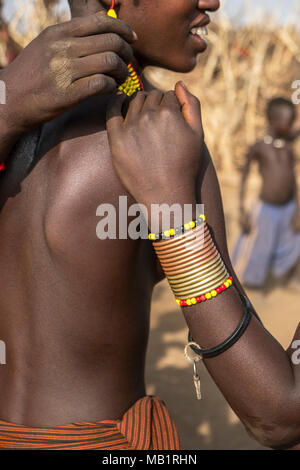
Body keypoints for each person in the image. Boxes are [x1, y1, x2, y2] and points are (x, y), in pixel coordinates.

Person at [0, 0, 299, 451]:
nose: (212, 2)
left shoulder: (13, 101)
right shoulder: (162, 141)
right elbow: (281, 414)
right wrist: (175, 214)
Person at [233, 98, 300, 288]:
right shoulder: (259, 146)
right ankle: (243, 285)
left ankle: (282, 277)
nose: (291, 125)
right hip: (266, 207)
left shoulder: (287, 148)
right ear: (273, 121)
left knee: (292, 243)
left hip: (288, 206)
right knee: (256, 247)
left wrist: (297, 209)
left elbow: (293, 179)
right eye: (287, 120)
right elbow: (244, 178)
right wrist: (242, 208)